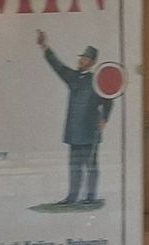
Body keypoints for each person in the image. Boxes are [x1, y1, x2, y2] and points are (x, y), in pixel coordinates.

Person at [36, 32, 113, 206]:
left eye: (85, 59)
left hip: (90, 131)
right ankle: (72, 197)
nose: (81, 61)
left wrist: (105, 118)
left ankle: (91, 197)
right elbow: (58, 66)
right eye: (81, 58)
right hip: (74, 131)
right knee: (74, 166)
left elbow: (109, 99)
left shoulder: (97, 80)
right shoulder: (73, 77)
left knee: (91, 166)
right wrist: (45, 47)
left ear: (92, 62)